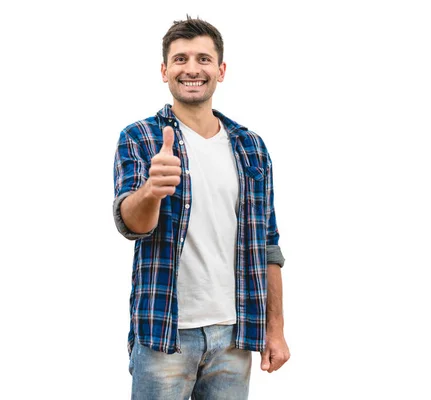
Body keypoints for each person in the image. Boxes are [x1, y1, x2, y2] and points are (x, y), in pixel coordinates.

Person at [113, 16, 290, 399]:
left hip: (234, 335)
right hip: (165, 334)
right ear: (164, 70)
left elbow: (268, 245)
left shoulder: (251, 147)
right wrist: (151, 191)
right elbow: (131, 224)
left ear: (221, 70)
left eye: (203, 59)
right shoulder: (140, 137)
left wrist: (274, 329)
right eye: (180, 59)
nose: (192, 68)